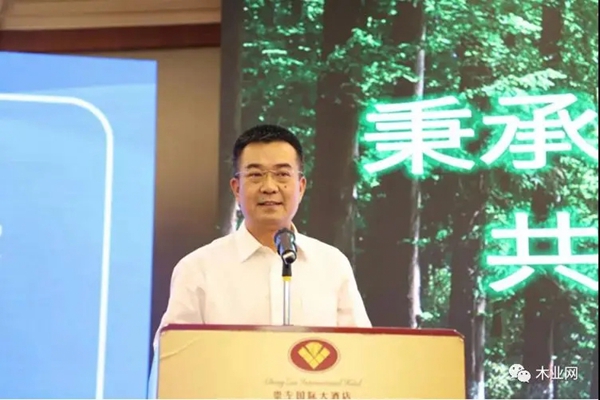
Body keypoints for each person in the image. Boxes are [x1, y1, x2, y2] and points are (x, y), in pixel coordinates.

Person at [156, 124, 371, 334]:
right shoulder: (198, 269)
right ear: (237, 188)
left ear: (301, 187)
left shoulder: (332, 265)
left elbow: (362, 349)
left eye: (282, 174)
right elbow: (172, 352)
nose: (269, 187)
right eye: (256, 175)